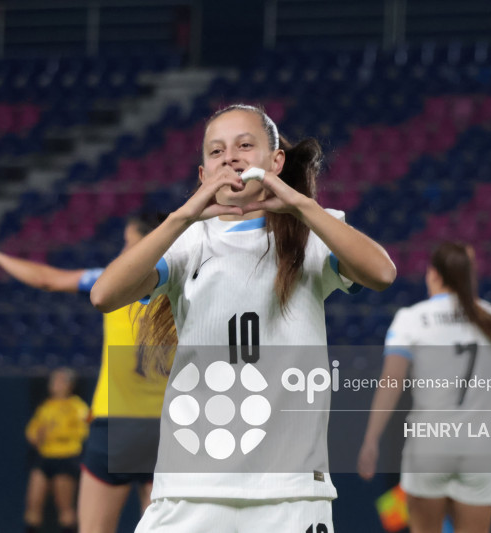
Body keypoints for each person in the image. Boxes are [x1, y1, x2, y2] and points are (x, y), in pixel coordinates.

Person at [89, 103, 396, 532]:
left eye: (244, 145)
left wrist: (299, 204)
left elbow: (382, 273)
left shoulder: (312, 233)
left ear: (276, 161)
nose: (230, 157)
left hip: (290, 494)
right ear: (203, 174)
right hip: (190, 490)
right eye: (216, 151)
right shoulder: (187, 241)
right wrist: (182, 216)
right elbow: (103, 295)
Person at [0, 214, 176, 533]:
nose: (124, 250)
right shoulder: (186, 283)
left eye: (129, 242)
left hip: (115, 422)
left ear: (149, 242)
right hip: (167, 427)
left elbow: (48, 280)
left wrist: (0, 258)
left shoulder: (111, 282)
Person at [357, 242, 491, 533]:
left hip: (429, 445)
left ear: (433, 274)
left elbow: (391, 381)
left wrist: (371, 439)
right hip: (481, 448)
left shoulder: (412, 319)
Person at [24, 367, 89, 533]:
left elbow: (84, 431)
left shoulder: (78, 407)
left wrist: (57, 432)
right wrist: (40, 435)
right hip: (44, 457)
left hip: (66, 459)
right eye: (54, 380)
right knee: (33, 506)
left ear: (70, 385)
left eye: (60, 380)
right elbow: (32, 434)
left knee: (65, 509)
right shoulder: (45, 407)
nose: (55, 384)